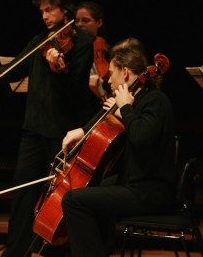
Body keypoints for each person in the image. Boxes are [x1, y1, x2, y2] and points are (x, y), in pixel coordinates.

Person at [0, 0, 95, 257]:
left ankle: (55, 251)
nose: (44, 16)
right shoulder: (40, 41)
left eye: (49, 10)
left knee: (57, 196)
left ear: (64, 10)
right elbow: (17, 65)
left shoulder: (82, 43)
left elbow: (75, 88)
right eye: (41, 11)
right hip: (33, 130)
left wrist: (58, 68)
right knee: (22, 194)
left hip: (61, 132)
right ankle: (15, 251)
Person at [61, 38, 177, 256]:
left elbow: (141, 139)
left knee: (74, 201)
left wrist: (125, 108)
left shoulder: (155, 101)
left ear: (125, 72)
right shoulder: (134, 102)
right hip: (133, 183)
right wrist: (84, 130)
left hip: (151, 191)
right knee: (87, 190)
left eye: (112, 73)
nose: (109, 80)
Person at [75, 1, 111, 102]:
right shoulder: (71, 50)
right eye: (77, 21)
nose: (79, 24)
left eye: (85, 20)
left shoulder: (107, 51)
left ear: (99, 23)